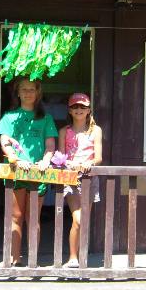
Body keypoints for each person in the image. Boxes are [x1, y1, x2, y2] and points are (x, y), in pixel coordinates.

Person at [0, 77, 58, 266]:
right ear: (18, 92)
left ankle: (32, 259)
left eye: (32, 89)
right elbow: (5, 142)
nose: (28, 93)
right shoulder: (9, 116)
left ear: (38, 93)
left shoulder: (46, 118)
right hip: (16, 172)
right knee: (15, 216)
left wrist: (45, 160)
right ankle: (14, 258)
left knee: (33, 218)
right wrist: (15, 159)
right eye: (24, 89)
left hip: (37, 174)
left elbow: (50, 145)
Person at [58, 93, 102, 268]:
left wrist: (89, 164)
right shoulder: (64, 131)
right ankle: (72, 257)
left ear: (89, 110)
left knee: (84, 221)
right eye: (75, 107)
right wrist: (71, 164)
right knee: (78, 219)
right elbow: (60, 157)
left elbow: (98, 157)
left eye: (83, 107)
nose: (79, 110)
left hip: (89, 179)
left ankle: (80, 257)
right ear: (69, 110)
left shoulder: (96, 130)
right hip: (70, 178)